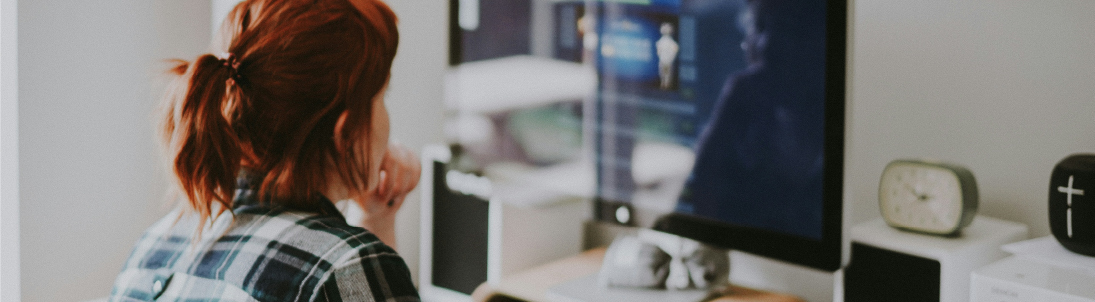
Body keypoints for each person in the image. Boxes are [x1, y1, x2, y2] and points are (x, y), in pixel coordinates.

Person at [108, 0, 421, 301]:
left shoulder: (153, 248)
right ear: (347, 130)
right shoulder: (342, 267)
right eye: (382, 95)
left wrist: (375, 216)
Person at [677, 0, 827, 239]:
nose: (767, 44)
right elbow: (691, 210)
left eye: (788, 29)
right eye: (759, 26)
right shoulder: (742, 108)